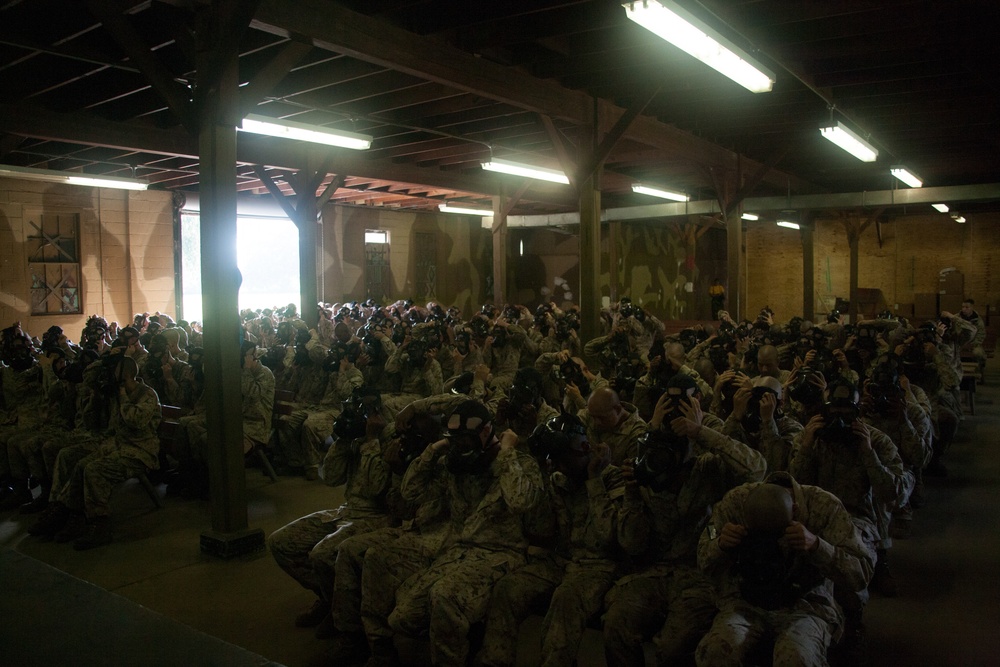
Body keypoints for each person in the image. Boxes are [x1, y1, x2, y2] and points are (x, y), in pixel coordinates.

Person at [602, 375, 767, 666]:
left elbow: (756, 469)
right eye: (670, 401)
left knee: (672, 648)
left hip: (700, 570)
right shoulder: (649, 437)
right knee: (616, 625)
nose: (675, 409)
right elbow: (632, 542)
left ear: (698, 400)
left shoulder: (711, 434)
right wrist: (652, 433)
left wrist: (699, 431)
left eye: (684, 401)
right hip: (657, 567)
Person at [387, 400, 546, 667]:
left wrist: (506, 454)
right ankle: (466, 633)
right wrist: (435, 449)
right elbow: (411, 492)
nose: (461, 445)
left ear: (485, 432)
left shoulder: (519, 464)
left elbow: (520, 501)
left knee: (444, 597)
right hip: (459, 551)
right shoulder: (457, 465)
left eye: (465, 439)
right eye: (456, 439)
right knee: (402, 617)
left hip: (500, 554)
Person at [478, 413, 624, 667]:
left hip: (597, 566)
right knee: (508, 588)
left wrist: (593, 480)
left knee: (566, 599)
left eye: (563, 460)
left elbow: (610, 538)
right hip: (561, 560)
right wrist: (544, 479)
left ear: (584, 449)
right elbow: (543, 530)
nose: (559, 467)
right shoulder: (558, 478)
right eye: (554, 461)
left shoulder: (614, 477)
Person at [695, 473, 874, 667]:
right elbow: (704, 553)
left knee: (795, 659)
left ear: (795, 511)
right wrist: (720, 544)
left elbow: (860, 573)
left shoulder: (825, 506)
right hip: (744, 602)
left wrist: (818, 546)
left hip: (806, 605)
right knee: (716, 652)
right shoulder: (733, 503)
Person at [28, 354, 161, 550]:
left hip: (139, 451)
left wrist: (123, 393)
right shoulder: (114, 393)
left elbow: (135, 420)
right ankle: (67, 512)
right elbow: (94, 421)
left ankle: (99, 524)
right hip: (116, 445)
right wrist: (98, 396)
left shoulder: (146, 394)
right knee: (78, 461)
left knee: (93, 469)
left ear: (126, 374)